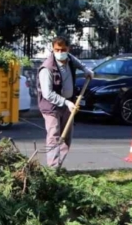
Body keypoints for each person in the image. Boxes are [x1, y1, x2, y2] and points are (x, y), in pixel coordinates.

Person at [37, 36, 94, 168]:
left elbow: (77, 62)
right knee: (54, 135)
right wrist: (66, 102)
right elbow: (47, 94)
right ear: (53, 49)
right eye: (57, 50)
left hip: (68, 104)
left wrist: (85, 70)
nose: (60, 52)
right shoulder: (47, 68)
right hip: (51, 106)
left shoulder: (69, 59)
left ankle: (58, 165)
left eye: (63, 49)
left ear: (68, 49)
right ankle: (52, 168)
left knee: (67, 136)